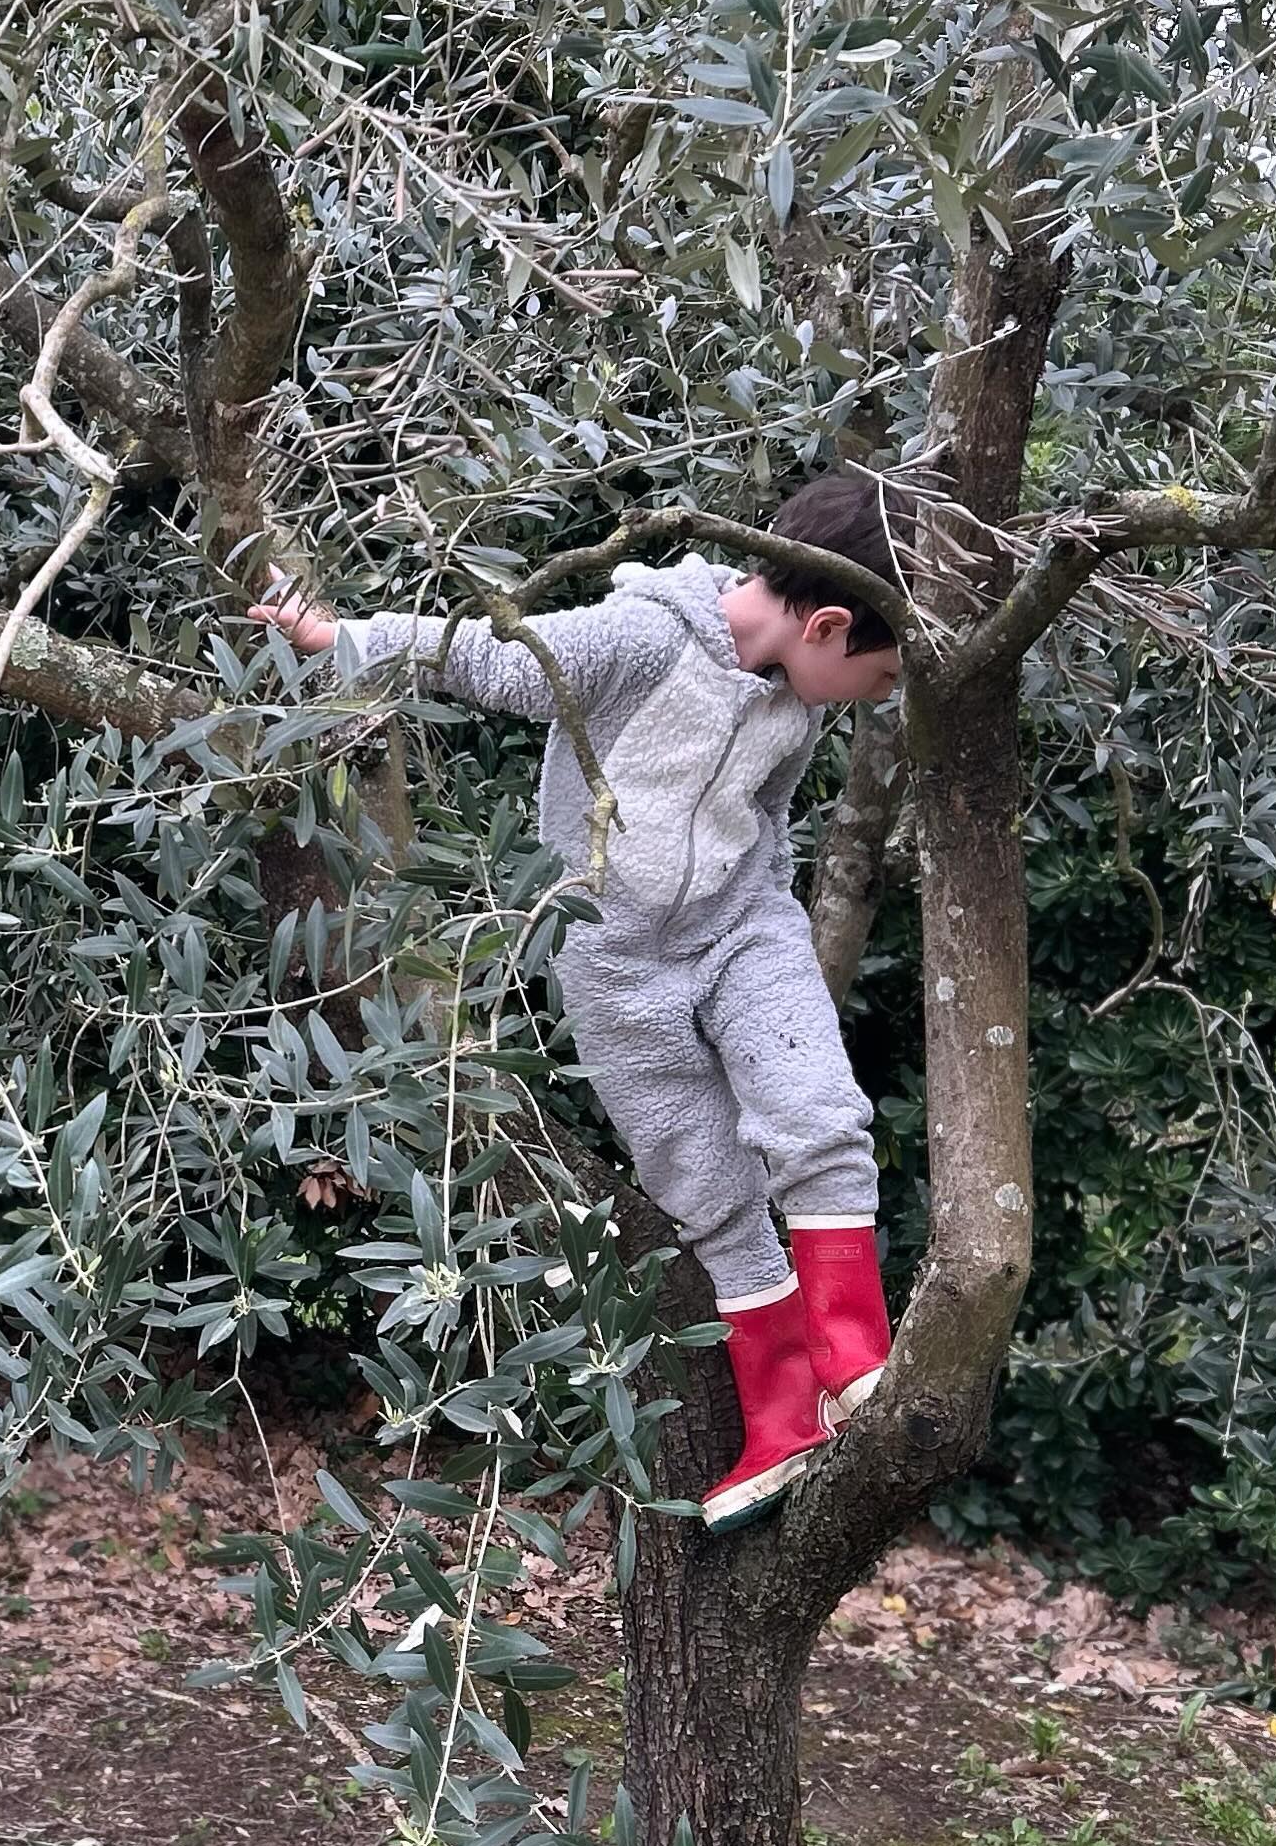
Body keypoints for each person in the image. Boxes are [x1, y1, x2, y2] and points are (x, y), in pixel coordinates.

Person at [251, 471, 913, 1529]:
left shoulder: (798, 696)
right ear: (827, 623)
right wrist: (344, 638)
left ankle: (856, 1353)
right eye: (877, 675)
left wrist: (773, 916)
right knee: (701, 1176)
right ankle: (784, 1418)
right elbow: (497, 658)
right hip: (613, 960)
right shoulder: (645, 640)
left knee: (813, 1109)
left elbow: (770, 814)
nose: (876, 694)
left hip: (747, 927)